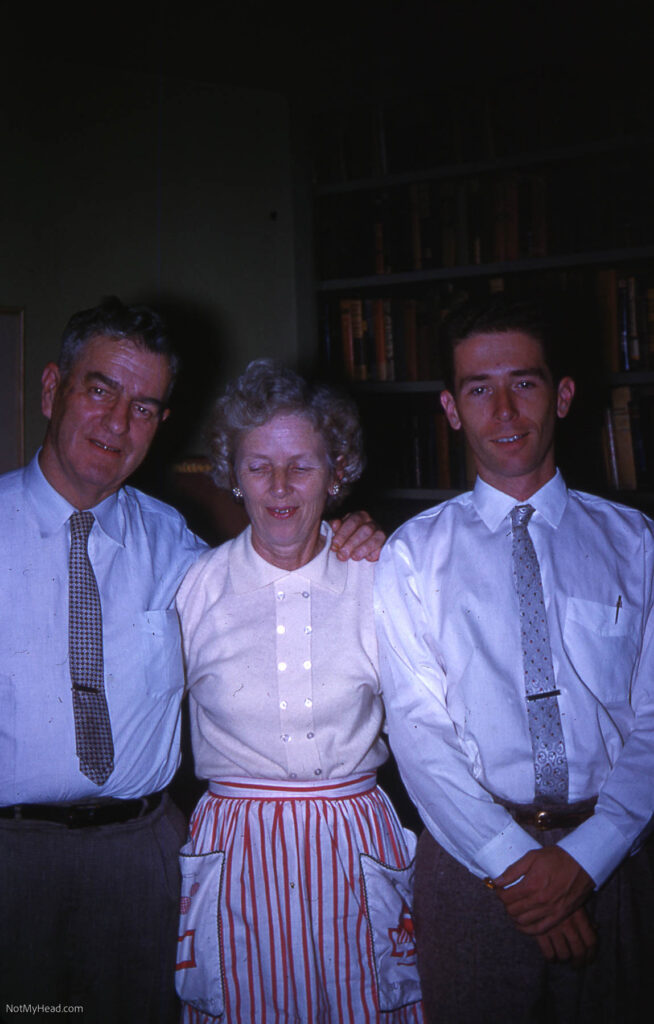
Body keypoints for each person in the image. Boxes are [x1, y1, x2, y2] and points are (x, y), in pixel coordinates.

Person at [0, 297, 384, 1024]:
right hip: (11, 859)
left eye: (145, 406)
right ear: (52, 389)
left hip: (144, 857)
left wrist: (357, 530)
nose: (117, 423)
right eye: (99, 389)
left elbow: (276, 587)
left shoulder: (177, 547)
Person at [374, 296, 654, 1023]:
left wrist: (586, 858)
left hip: (619, 860)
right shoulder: (411, 556)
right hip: (472, 866)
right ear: (450, 407)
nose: (502, 409)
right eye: (477, 388)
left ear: (562, 395)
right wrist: (517, 866)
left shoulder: (638, 544)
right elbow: (417, 733)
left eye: (524, 383)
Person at [174, 359, 424, 1023]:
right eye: (258, 465)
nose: (280, 485)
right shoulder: (195, 588)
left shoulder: (382, 580)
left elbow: (426, 728)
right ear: (232, 473)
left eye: (302, 465)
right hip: (238, 849)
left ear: (337, 472)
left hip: (354, 841)